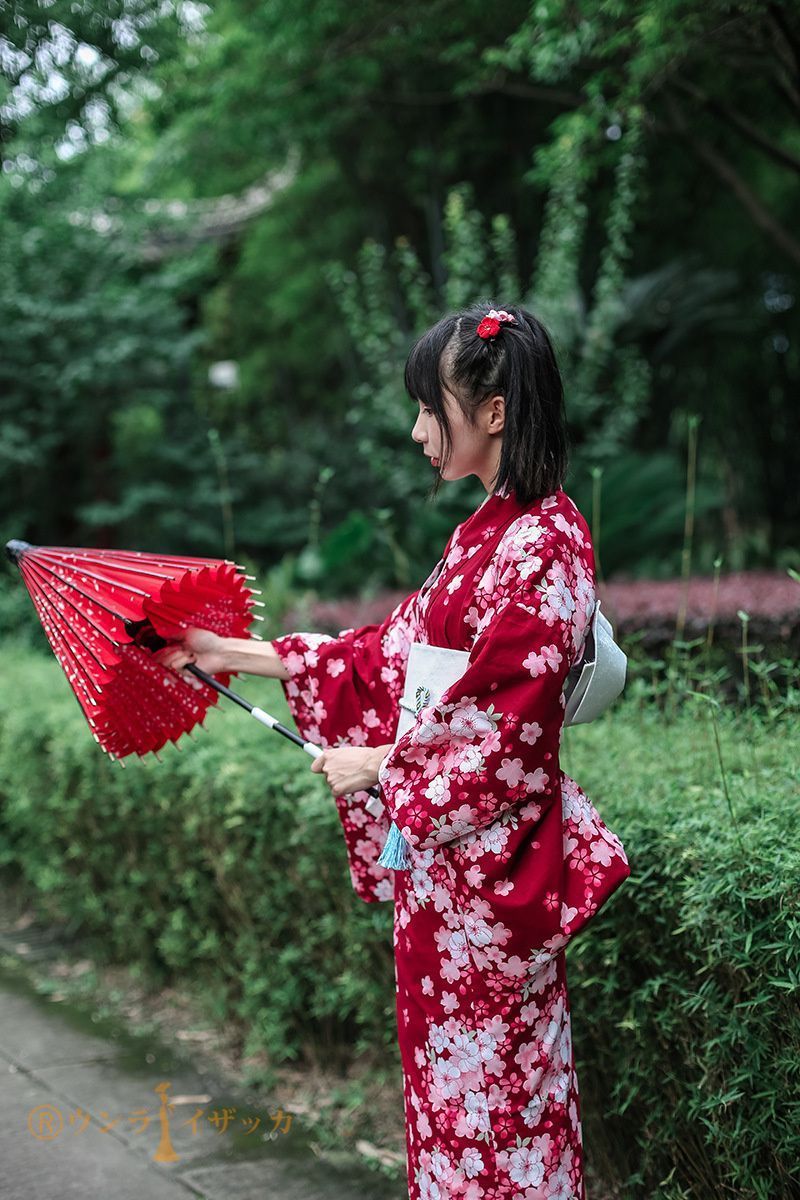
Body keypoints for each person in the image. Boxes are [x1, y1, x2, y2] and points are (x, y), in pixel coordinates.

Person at [155, 301, 631, 1200]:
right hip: (445, 878)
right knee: (449, 1111)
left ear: (493, 413)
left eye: (430, 407)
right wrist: (232, 656)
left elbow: (513, 726)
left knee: (504, 1115)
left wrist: (379, 763)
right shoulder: (483, 534)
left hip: (495, 887)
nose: (417, 430)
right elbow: (389, 656)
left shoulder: (549, 543)